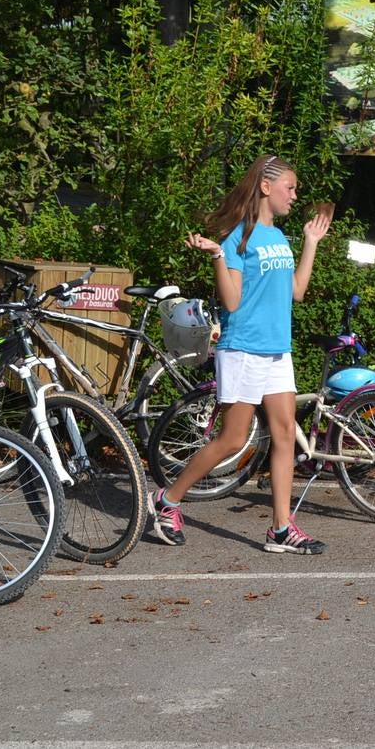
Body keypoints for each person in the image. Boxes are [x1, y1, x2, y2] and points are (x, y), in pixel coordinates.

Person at [147, 154, 333, 552]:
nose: (294, 196)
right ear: (266, 187)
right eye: (290, 187)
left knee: (285, 437)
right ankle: (167, 499)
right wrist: (217, 256)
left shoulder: (280, 238)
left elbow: (297, 292)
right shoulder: (237, 239)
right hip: (243, 350)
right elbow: (230, 303)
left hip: (276, 351)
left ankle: (281, 528)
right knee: (232, 440)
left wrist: (310, 243)